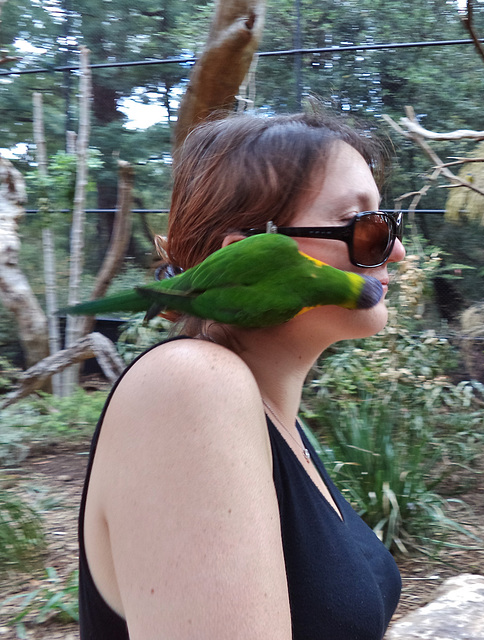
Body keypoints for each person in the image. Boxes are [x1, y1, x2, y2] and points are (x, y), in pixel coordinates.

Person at [78, 112, 406, 640]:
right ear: (246, 259)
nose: (395, 251)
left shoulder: (276, 420)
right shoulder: (191, 387)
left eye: (387, 224)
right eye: (363, 226)